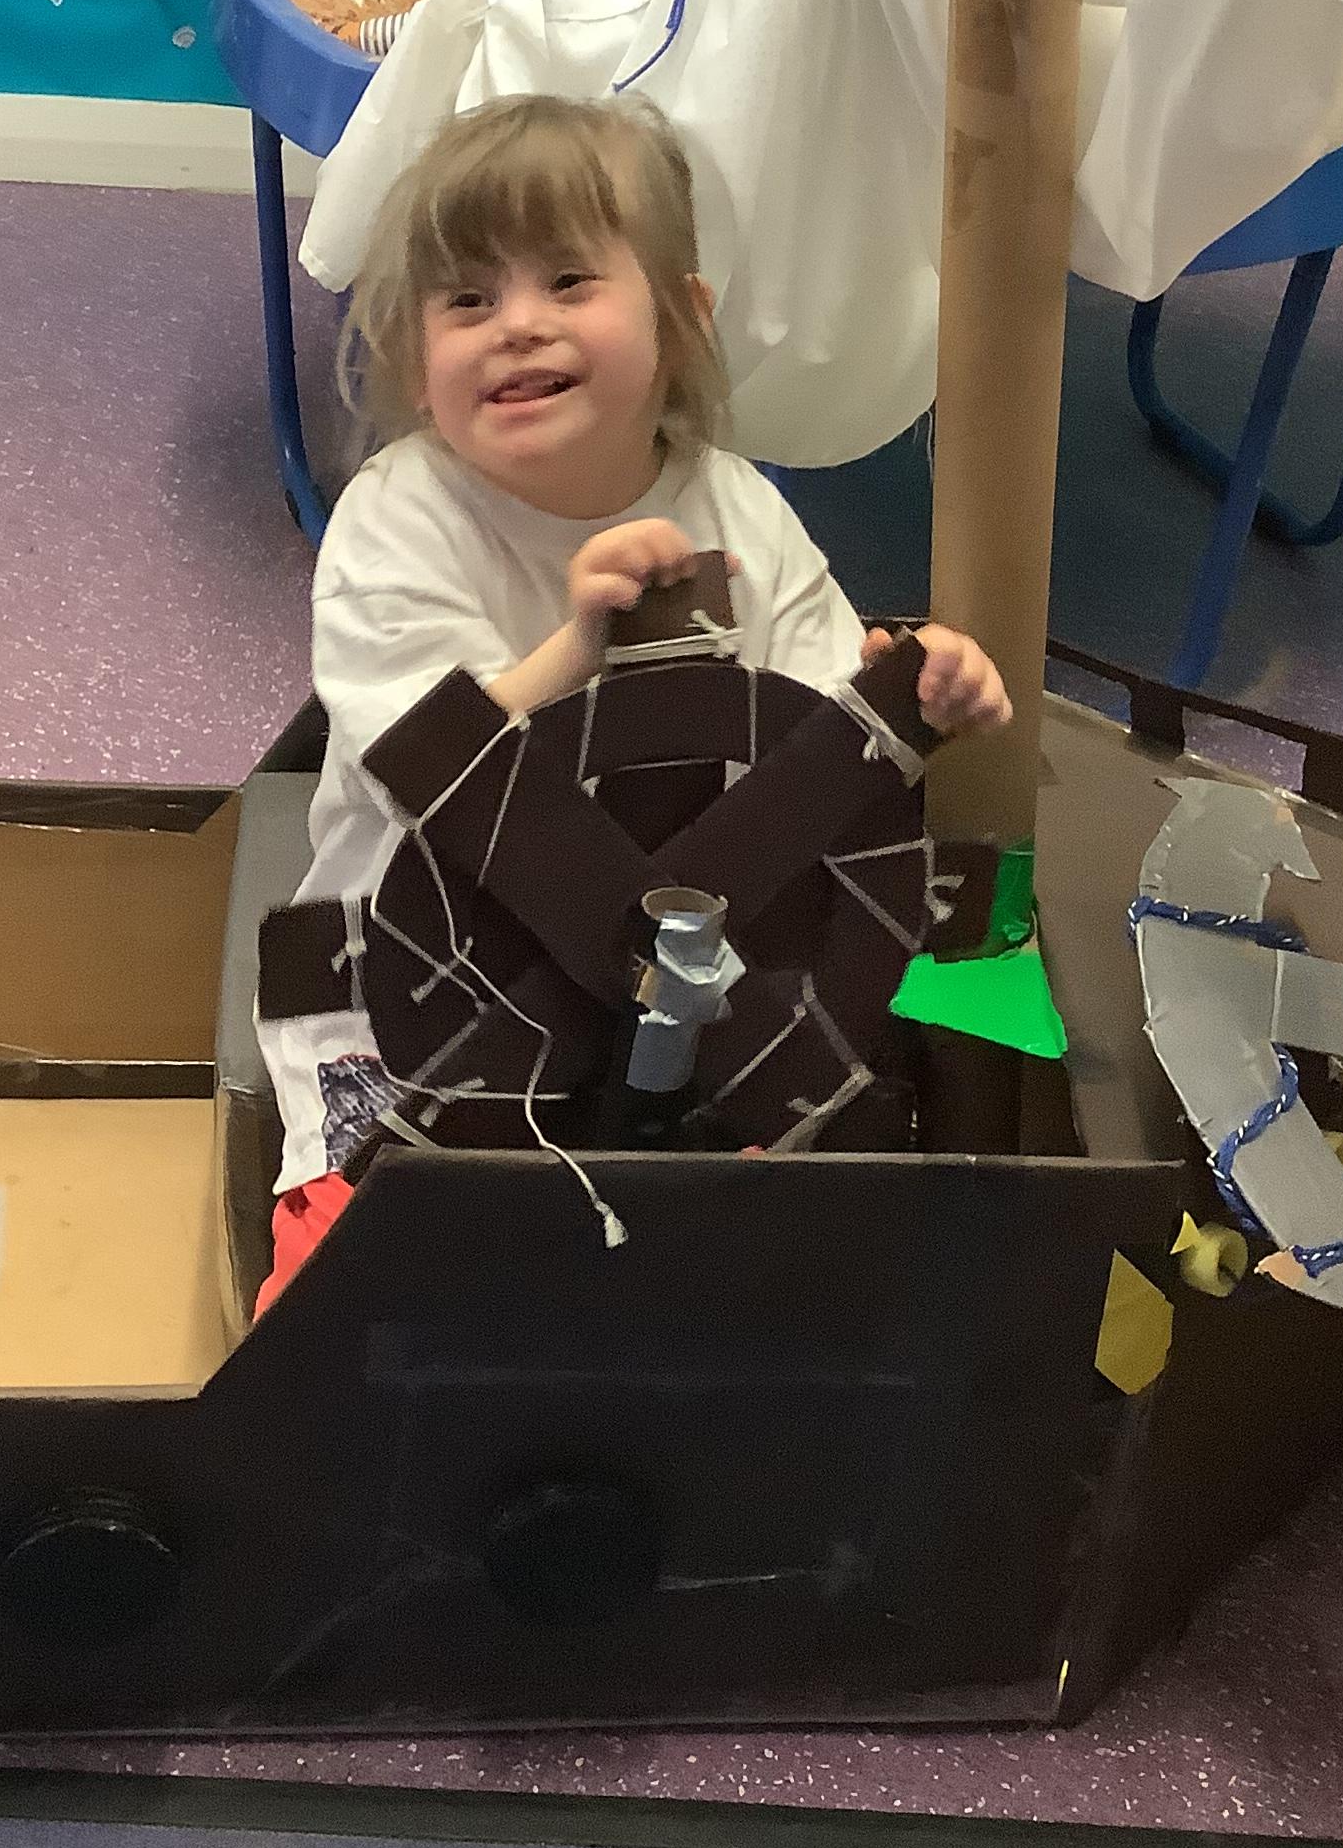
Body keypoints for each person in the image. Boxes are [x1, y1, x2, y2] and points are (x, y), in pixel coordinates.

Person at [253, 92, 1010, 1311]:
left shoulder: (736, 506)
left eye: (567, 281)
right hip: (425, 977)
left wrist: (914, 693)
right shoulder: (397, 521)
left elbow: (822, 747)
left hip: (710, 975)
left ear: (680, 317)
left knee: (776, 1262)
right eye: (467, 301)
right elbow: (422, 767)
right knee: (357, 1279)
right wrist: (580, 653)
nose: (518, 325)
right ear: (412, 358)